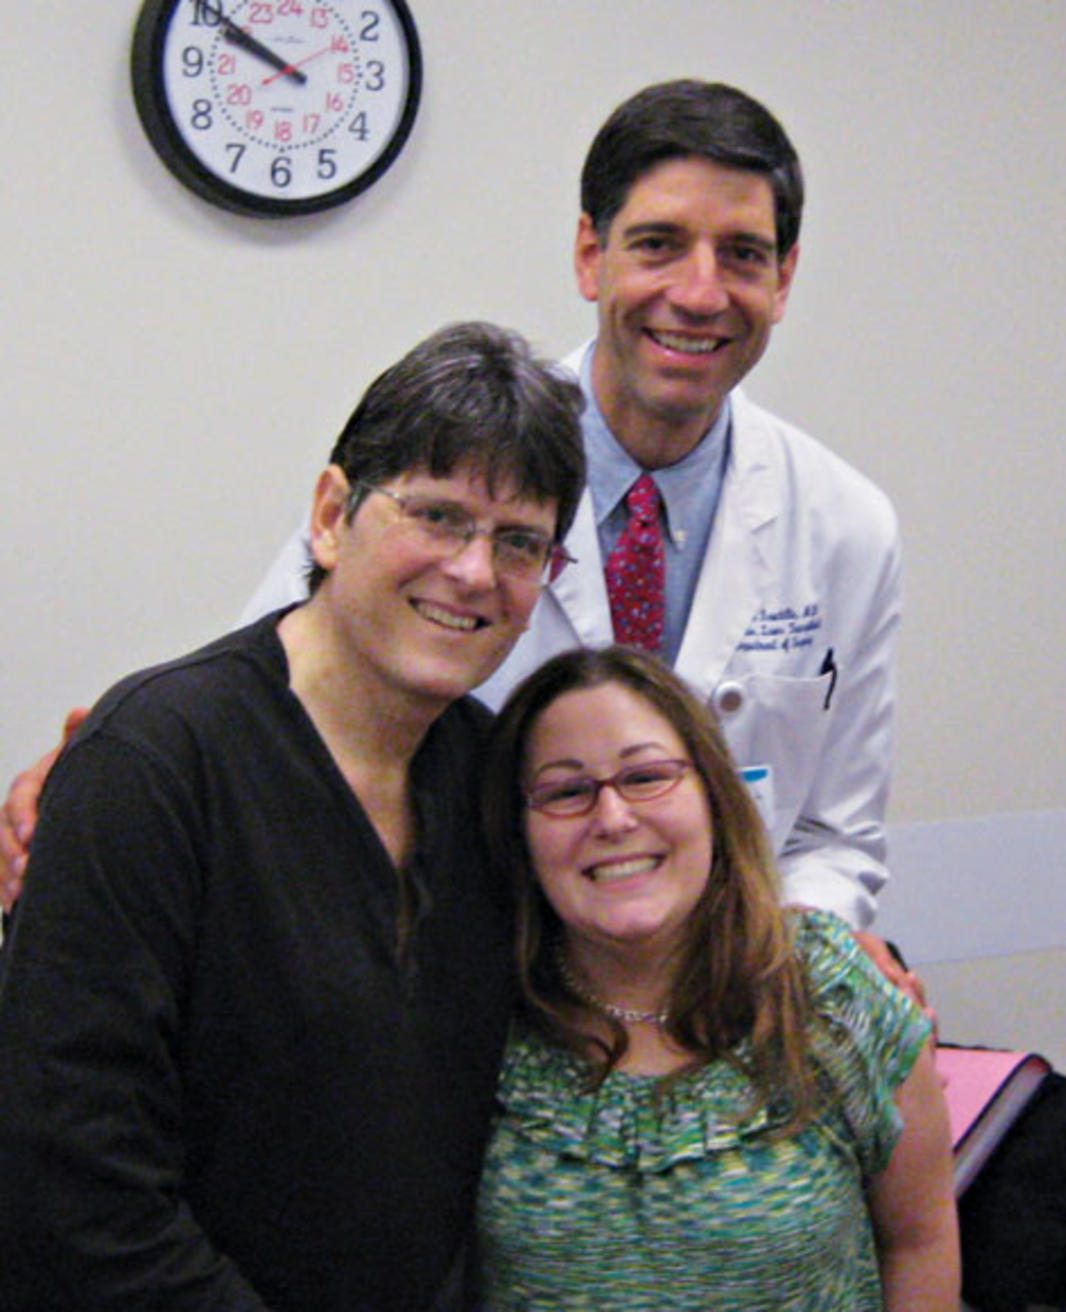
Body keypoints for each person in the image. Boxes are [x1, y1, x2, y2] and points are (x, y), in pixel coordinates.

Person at [2, 80, 904, 957]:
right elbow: (267, 708)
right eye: (659, 244)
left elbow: (834, 834)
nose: (701, 293)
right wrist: (108, 780)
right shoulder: (447, 451)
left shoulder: (845, 527)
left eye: (743, 255)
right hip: (453, 972)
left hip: (711, 1004)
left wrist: (809, 975)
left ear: (784, 278)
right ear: (592, 255)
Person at [0, 322, 586, 1311]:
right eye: (439, 516)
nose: (476, 573)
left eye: (519, 541)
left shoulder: (489, 782)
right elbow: (75, 1186)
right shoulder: (153, 765)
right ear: (329, 514)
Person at [475, 645, 958, 1310]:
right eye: (565, 791)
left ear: (714, 796)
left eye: (646, 777)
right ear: (519, 833)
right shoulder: (478, 1015)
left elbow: (920, 1243)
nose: (613, 818)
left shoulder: (834, 996)